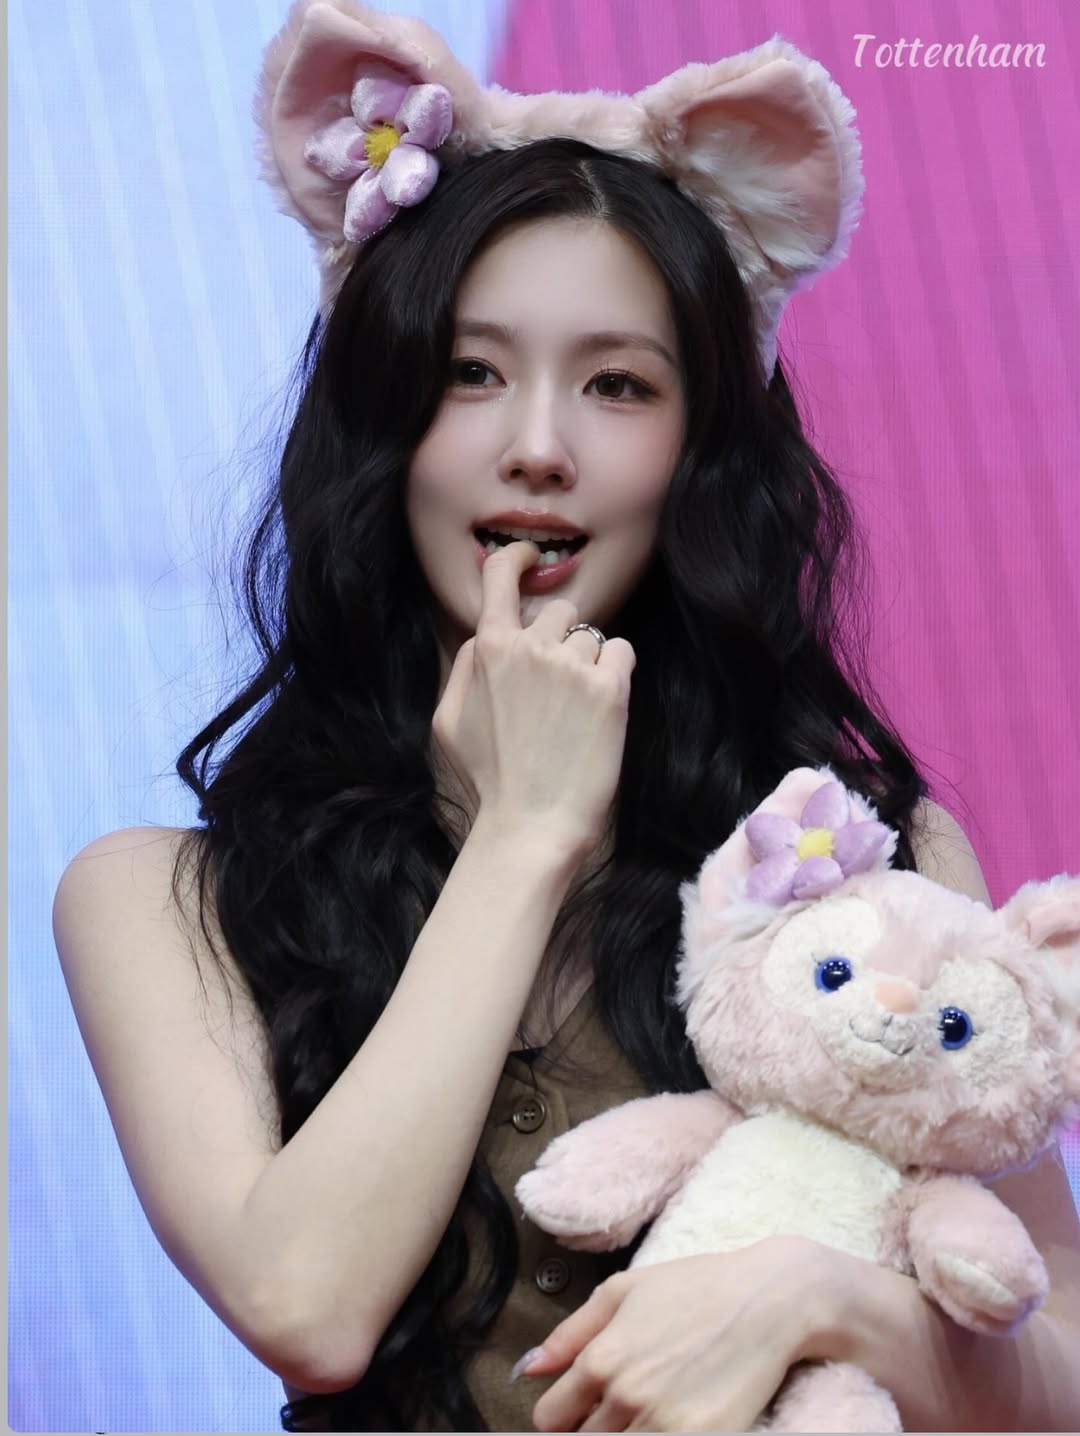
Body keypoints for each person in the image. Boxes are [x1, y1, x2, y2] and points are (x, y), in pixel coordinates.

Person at [52, 2, 1080, 1432]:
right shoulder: (164, 897)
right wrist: (526, 831)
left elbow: (1062, 1373)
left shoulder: (860, 854)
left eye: (617, 385)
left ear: (701, 449)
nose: (538, 446)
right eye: (469, 372)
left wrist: (816, 1299)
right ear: (379, 421)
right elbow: (306, 1308)